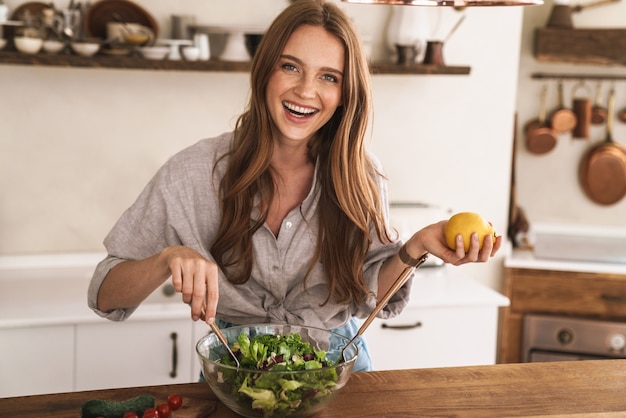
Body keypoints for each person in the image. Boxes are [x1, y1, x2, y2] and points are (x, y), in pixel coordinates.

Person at [88, 0, 502, 372]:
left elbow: (370, 295)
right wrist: (166, 259)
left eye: (328, 77)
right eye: (290, 67)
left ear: (345, 94)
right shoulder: (192, 173)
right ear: (264, 70)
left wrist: (417, 247)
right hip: (236, 376)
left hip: (340, 375)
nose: (306, 91)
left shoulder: (362, 176)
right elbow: (105, 294)